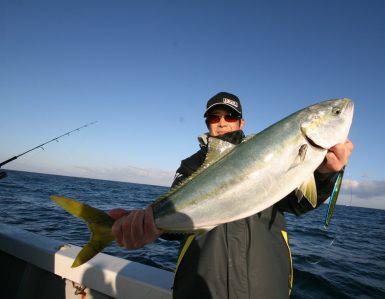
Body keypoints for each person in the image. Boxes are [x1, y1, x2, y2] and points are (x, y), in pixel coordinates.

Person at [109, 92, 354, 298]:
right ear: (207, 123)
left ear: (242, 122)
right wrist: (147, 226)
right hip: (202, 290)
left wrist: (323, 174)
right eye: (214, 117)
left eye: (231, 116)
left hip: (265, 289)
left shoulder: (270, 154)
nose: (222, 122)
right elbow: (176, 223)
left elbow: (300, 204)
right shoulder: (191, 166)